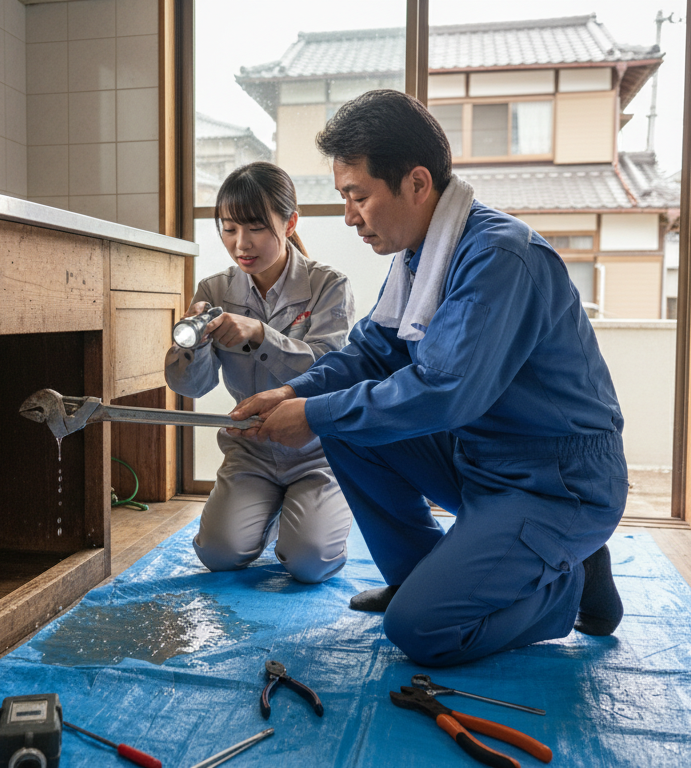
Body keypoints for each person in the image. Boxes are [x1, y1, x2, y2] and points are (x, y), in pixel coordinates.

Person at [229, 91, 629, 667]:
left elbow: (445, 391)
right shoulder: (421, 255)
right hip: (484, 458)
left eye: (358, 196)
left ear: (417, 183)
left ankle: (568, 585)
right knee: (343, 423)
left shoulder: (499, 257)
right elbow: (372, 350)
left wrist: (313, 413)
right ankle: (423, 577)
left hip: (557, 481)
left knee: (422, 632)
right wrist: (295, 392)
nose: (349, 216)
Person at [165, 161, 356, 584]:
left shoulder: (328, 285)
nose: (240, 244)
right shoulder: (214, 290)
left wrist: (261, 336)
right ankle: (268, 515)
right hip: (251, 448)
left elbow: (332, 370)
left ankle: (313, 518)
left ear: (289, 223)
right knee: (218, 554)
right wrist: (191, 347)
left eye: (255, 227)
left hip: (318, 450)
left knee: (308, 562)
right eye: (229, 229)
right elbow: (188, 385)